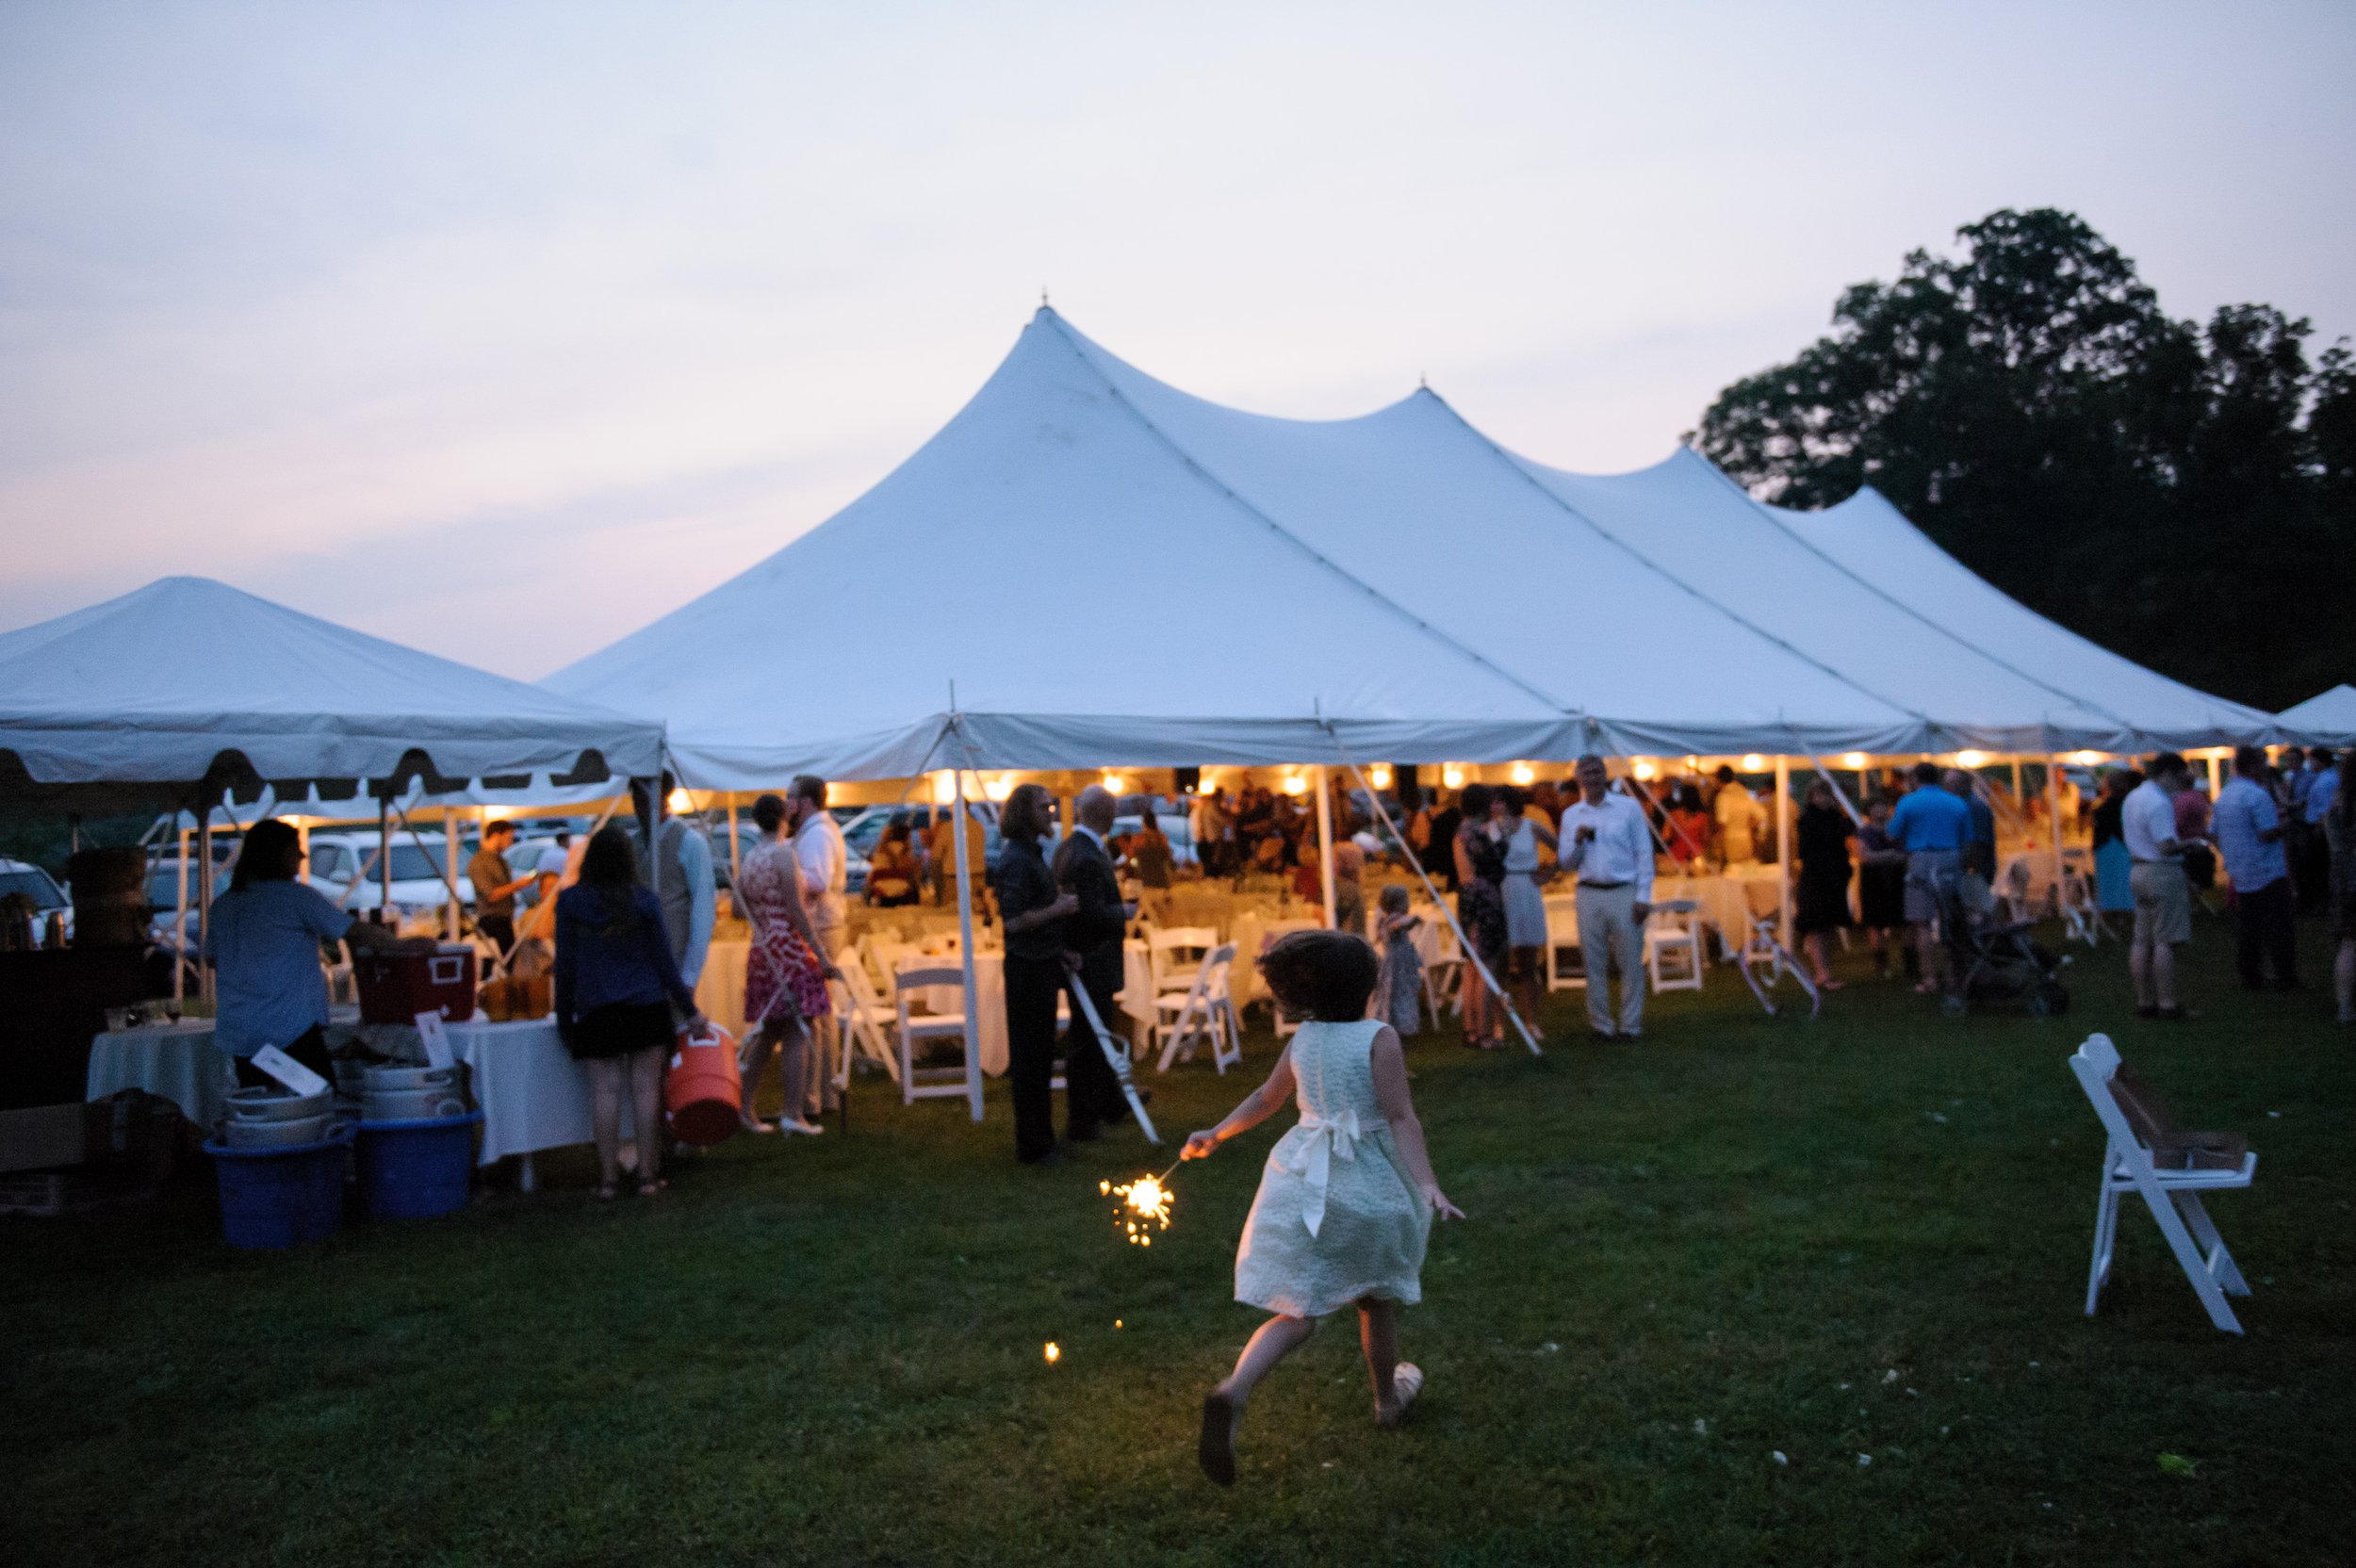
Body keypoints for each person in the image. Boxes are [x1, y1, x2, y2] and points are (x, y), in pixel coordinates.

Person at [1180, 929, 1464, 1487]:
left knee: (1296, 1313)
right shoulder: (1379, 1038)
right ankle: (1387, 1401)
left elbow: (1267, 1098)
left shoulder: (1304, 1039)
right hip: (1366, 1185)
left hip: (1304, 1182)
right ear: (1366, 987)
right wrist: (1427, 1183)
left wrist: (1217, 1133)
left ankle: (1233, 1391)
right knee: (1376, 1300)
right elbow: (1401, 1118)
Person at [205, 819, 434, 1086]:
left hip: (240, 1032)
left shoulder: (223, 905)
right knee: (316, 1106)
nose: (302, 857)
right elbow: (354, 931)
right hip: (289, 1030)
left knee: (262, 1112)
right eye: (295, 850)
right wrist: (401, 947)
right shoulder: (296, 898)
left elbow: (212, 958)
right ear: (277, 855)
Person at [554, 824, 707, 1199]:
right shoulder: (644, 901)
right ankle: (647, 1176)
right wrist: (689, 1009)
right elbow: (664, 963)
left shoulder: (571, 903)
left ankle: (607, 1180)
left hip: (596, 1008)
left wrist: (563, 1017)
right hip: (645, 1005)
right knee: (646, 1093)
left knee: (604, 1094)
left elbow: (566, 964)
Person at [732, 793, 837, 1136]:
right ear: (782, 818)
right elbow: (796, 909)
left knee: (769, 1030)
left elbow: (737, 909)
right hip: (788, 947)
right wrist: (820, 953)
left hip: (761, 946)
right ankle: (793, 1112)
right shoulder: (783, 855)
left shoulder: (749, 858)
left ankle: (745, 1107)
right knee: (797, 1028)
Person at [990, 784, 1080, 1165]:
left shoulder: (1031, 856)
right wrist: (1058, 909)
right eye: (1045, 807)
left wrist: (1059, 950)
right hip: (1027, 969)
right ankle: (1033, 1144)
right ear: (1026, 813)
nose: (1051, 813)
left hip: (1042, 963)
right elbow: (1013, 921)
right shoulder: (1016, 860)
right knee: (1029, 1059)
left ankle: (1042, 1137)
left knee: (1041, 1055)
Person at [1051, 785, 1139, 1145]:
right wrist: (1125, 912)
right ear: (1109, 815)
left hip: (1088, 957)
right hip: (1091, 957)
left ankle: (1110, 1102)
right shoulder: (1085, 855)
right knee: (1088, 1038)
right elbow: (1090, 912)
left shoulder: (1073, 848)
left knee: (1097, 1031)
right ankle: (1083, 1119)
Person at [1558, 755, 1654, 1039]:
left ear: (1606, 774)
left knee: (1630, 960)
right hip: (1589, 892)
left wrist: (1643, 895)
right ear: (1578, 778)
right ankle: (1600, 1023)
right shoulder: (1572, 815)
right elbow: (1566, 864)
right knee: (1593, 961)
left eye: (1597, 771)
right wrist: (1576, 841)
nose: (1592, 777)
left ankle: (1630, 1024)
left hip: (1623, 890)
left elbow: (1644, 853)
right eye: (1586, 773)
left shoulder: (1628, 808)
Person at [787, 776, 849, 1117]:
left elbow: (818, 880)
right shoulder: (815, 832)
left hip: (822, 925)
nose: (787, 803)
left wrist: (783, 878)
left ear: (807, 801)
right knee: (820, 1013)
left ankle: (817, 1095)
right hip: (824, 923)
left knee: (816, 1013)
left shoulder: (818, 834)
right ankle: (823, 1094)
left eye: (791, 797)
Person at [2213, 746, 2297, 992]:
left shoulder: (2225, 795)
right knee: (2278, 926)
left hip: (2241, 869)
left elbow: (2213, 832)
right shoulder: (2257, 795)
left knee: (2249, 925)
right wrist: (2286, 825)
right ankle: (2285, 976)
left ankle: (2250, 974)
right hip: (2267, 869)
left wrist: (2231, 853)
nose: (2267, 769)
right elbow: (2267, 832)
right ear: (2252, 766)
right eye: (2262, 763)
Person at [1886, 760, 1971, 994]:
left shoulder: (1908, 802)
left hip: (1921, 859)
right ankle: (1954, 975)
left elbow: (1892, 833)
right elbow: (1967, 838)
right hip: (1951, 857)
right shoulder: (1957, 803)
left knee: (1921, 922)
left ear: (1915, 779)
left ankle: (1930, 978)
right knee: (1950, 918)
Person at [2124, 752, 2197, 1021]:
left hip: (2137, 869)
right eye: (2180, 776)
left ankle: (2144, 1001)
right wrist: (2191, 843)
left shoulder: (2133, 797)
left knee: (2141, 940)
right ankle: (2167, 1003)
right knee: (2165, 941)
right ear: (2167, 773)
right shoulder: (2159, 802)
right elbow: (2165, 845)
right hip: (2161, 871)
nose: (2181, 782)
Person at [630, 774, 715, 1002]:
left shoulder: (690, 842)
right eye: (637, 799)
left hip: (674, 958)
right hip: (637, 963)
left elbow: (703, 912)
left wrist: (690, 977)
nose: (640, 807)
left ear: (664, 797)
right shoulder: (633, 844)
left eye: (646, 798)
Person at [1448, 783, 1508, 1049]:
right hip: (1484, 898)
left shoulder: (1459, 832)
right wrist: (1503, 838)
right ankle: (1484, 1032)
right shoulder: (1474, 832)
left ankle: (1470, 1029)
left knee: (1473, 966)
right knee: (1487, 964)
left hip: (1466, 897)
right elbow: (1495, 865)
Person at [1495, 785, 1558, 1035]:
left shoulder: (1531, 826)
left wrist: (1548, 874)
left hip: (1527, 890)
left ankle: (1532, 1020)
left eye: (1498, 801)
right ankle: (1500, 1023)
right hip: (1502, 890)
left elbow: (1559, 847)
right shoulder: (1491, 829)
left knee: (1528, 963)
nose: (1494, 806)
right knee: (1500, 964)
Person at [1793, 780, 1856, 989]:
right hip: (1816, 877)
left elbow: (1847, 836)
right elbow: (1805, 851)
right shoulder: (1808, 820)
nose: (1821, 799)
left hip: (1833, 877)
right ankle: (1822, 972)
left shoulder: (1837, 819)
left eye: (1825, 795)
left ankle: (1825, 971)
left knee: (1827, 925)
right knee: (1817, 925)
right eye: (1817, 795)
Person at [1855, 795, 1909, 978]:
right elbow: (1864, 856)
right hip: (1873, 880)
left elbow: (1905, 854)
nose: (1880, 810)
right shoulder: (1864, 832)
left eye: (1883, 805)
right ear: (1868, 811)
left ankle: (1910, 962)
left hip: (1896, 877)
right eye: (1876, 806)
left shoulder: (1896, 830)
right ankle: (1881, 964)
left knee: (1903, 920)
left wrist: (1880, 856)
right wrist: (1889, 855)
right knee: (1875, 922)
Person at [466, 819, 536, 956]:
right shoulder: (480, 863)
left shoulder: (499, 860)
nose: (511, 842)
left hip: (504, 919)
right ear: (496, 835)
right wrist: (518, 885)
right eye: (509, 837)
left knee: (510, 960)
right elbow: (491, 895)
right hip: (492, 921)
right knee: (502, 962)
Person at [2324, 749, 2355, 1025]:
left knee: (2348, 944)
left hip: (2343, 881)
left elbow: (2333, 846)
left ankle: (2345, 1007)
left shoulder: (2336, 805)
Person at [1371, 884, 1423, 1036]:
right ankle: (1399, 1026)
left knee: (1396, 994)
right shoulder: (1392, 920)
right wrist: (1413, 919)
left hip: (1399, 965)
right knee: (1398, 993)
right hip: (1396, 966)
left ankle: (1399, 1024)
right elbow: (1398, 924)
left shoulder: (1385, 920)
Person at [2091, 770, 2137, 923]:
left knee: (2116, 879)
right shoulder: (2128, 802)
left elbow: (2102, 820)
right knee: (2122, 879)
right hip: (2121, 844)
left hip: (2112, 845)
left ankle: (2118, 912)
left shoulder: (2111, 805)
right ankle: (2122, 913)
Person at [2299, 747, 2340, 914]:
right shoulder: (2326, 778)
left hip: (2319, 828)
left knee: (2320, 866)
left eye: (2311, 760)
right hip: (2321, 827)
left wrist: (2320, 828)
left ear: (2319, 761)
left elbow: (2325, 809)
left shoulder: (2325, 781)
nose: (2309, 763)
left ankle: (2323, 903)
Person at [1713, 765, 1764, 864]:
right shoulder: (1743, 793)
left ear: (1719, 779)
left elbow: (1722, 821)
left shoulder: (1724, 796)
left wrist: (1718, 841)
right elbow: (1761, 815)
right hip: (1746, 838)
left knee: (1734, 871)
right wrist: (1748, 827)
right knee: (1745, 870)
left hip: (1731, 839)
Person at [865, 819, 920, 906]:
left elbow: (877, 862)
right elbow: (907, 865)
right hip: (900, 879)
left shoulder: (881, 847)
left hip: (880, 879)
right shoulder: (905, 848)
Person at [1330, 826, 1366, 937]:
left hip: (1349, 942)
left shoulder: (1347, 888)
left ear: (1343, 863)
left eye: (1334, 859)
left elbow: (1333, 915)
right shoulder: (1351, 886)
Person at [1131, 809, 1176, 890]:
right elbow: (1168, 857)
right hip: (1161, 879)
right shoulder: (1162, 838)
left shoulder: (1138, 839)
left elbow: (1132, 857)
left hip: (1144, 879)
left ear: (1144, 823)